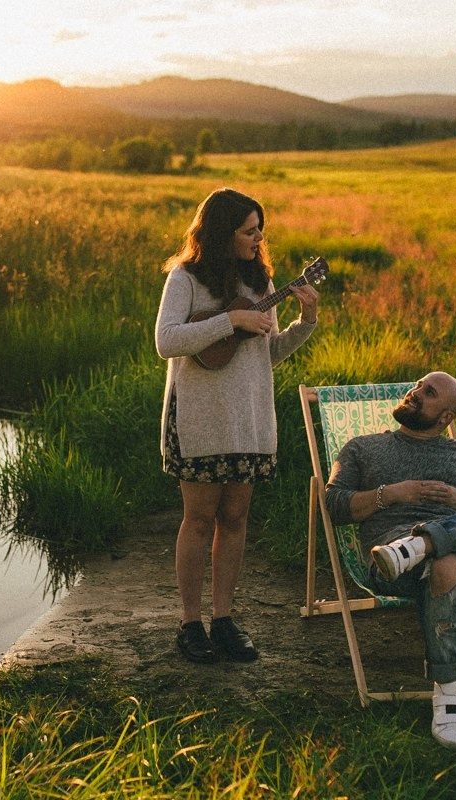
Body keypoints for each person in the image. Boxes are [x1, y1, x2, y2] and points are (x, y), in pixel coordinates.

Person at [324, 371, 456, 749]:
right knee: (446, 562)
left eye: (429, 392)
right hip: (392, 561)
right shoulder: (362, 448)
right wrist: (389, 495)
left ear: (446, 418)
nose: (415, 393)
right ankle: (449, 696)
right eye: (418, 386)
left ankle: (424, 544)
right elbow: (334, 506)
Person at [155, 187, 319, 664]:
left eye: (259, 229)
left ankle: (224, 620)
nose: (258, 237)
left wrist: (304, 322)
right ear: (222, 233)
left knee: (236, 519)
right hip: (201, 420)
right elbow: (167, 342)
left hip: (249, 421)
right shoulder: (184, 279)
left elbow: (263, 357)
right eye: (249, 230)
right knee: (199, 519)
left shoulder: (262, 282)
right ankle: (191, 625)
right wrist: (232, 319)